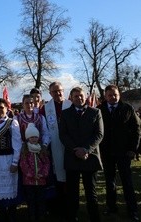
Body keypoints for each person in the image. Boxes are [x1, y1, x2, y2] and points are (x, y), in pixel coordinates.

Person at [59, 87, 103, 222]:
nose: (79, 98)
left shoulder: (95, 112)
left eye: (81, 95)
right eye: (76, 96)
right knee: (72, 192)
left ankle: (94, 217)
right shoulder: (65, 114)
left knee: (91, 192)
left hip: (90, 157)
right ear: (71, 98)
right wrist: (76, 150)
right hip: (72, 157)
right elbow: (63, 135)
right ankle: (72, 216)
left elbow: (99, 134)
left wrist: (85, 149)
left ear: (86, 97)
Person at [98, 84, 141, 221]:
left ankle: (132, 210)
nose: (113, 97)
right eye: (110, 95)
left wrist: (133, 149)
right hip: (106, 152)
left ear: (119, 95)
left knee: (127, 182)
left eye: (115, 94)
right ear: (105, 96)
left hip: (124, 152)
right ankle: (111, 207)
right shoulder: (99, 110)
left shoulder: (127, 108)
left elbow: (137, 129)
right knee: (109, 182)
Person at [41, 81, 72, 217]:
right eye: (54, 92)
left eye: (59, 90)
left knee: (71, 176)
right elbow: (43, 128)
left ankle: (71, 205)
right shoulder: (46, 108)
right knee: (58, 176)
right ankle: (59, 205)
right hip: (54, 146)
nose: (58, 93)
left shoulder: (70, 105)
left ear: (63, 91)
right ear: (50, 93)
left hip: (71, 146)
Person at [19, 123, 50, 222]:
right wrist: (32, 175)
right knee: (31, 201)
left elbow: (46, 163)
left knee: (40, 200)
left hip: (41, 181)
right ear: (28, 138)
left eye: (36, 137)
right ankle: (32, 216)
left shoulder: (41, 150)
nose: (34, 139)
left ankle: (41, 216)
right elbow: (24, 165)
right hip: (29, 182)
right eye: (31, 137)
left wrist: (43, 174)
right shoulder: (25, 150)